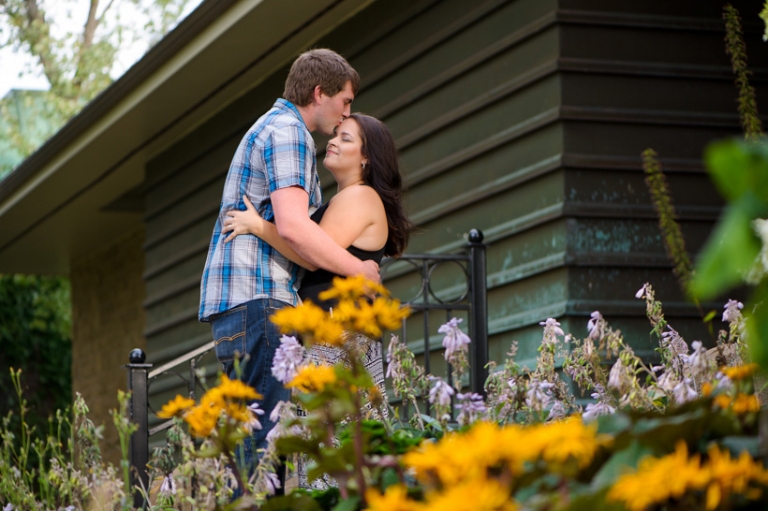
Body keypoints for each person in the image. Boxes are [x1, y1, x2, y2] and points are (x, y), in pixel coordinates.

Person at [198, 49, 380, 481]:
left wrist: (261, 226)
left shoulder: (272, 127)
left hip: (243, 305)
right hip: (261, 301)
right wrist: (358, 271)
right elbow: (297, 229)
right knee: (267, 454)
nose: (346, 113)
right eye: (346, 102)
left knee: (252, 449)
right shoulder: (289, 132)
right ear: (320, 93)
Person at [221, 113, 414, 487]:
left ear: (366, 158)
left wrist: (258, 225)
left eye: (346, 138)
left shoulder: (360, 196)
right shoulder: (345, 198)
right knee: (343, 452)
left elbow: (309, 252)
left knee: (337, 452)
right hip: (335, 339)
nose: (334, 141)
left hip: (340, 341)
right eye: (336, 135)